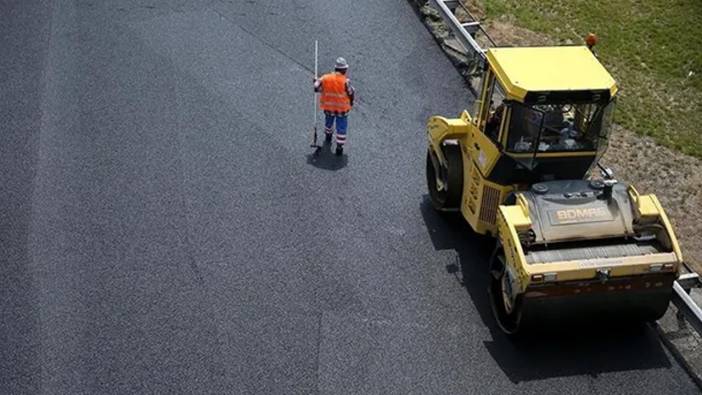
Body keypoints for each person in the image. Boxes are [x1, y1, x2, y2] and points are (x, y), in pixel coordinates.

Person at [314, 57, 355, 155]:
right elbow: (351, 92)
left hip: (329, 107)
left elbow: (316, 87)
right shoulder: (345, 81)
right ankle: (339, 146)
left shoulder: (325, 78)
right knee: (341, 127)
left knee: (329, 122)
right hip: (342, 109)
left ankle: (328, 135)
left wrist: (315, 80)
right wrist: (351, 102)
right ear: (343, 70)